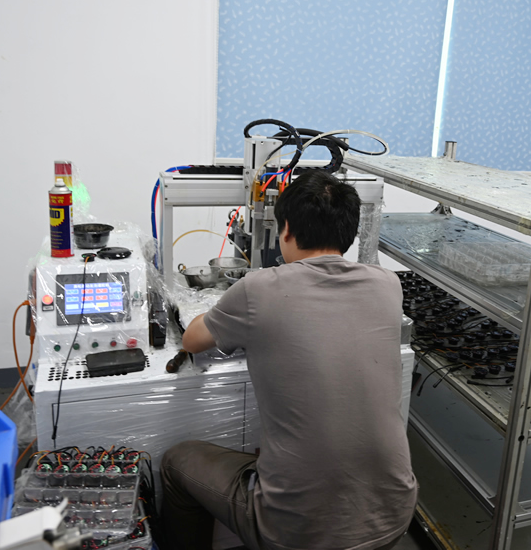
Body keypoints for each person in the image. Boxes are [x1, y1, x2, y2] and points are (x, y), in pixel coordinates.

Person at [161, 171, 417, 550]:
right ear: (349, 233)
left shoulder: (257, 289)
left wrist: (219, 311)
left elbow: (192, 340)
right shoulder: (388, 284)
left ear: (286, 230)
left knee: (176, 461)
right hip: (393, 517)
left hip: (295, 532)